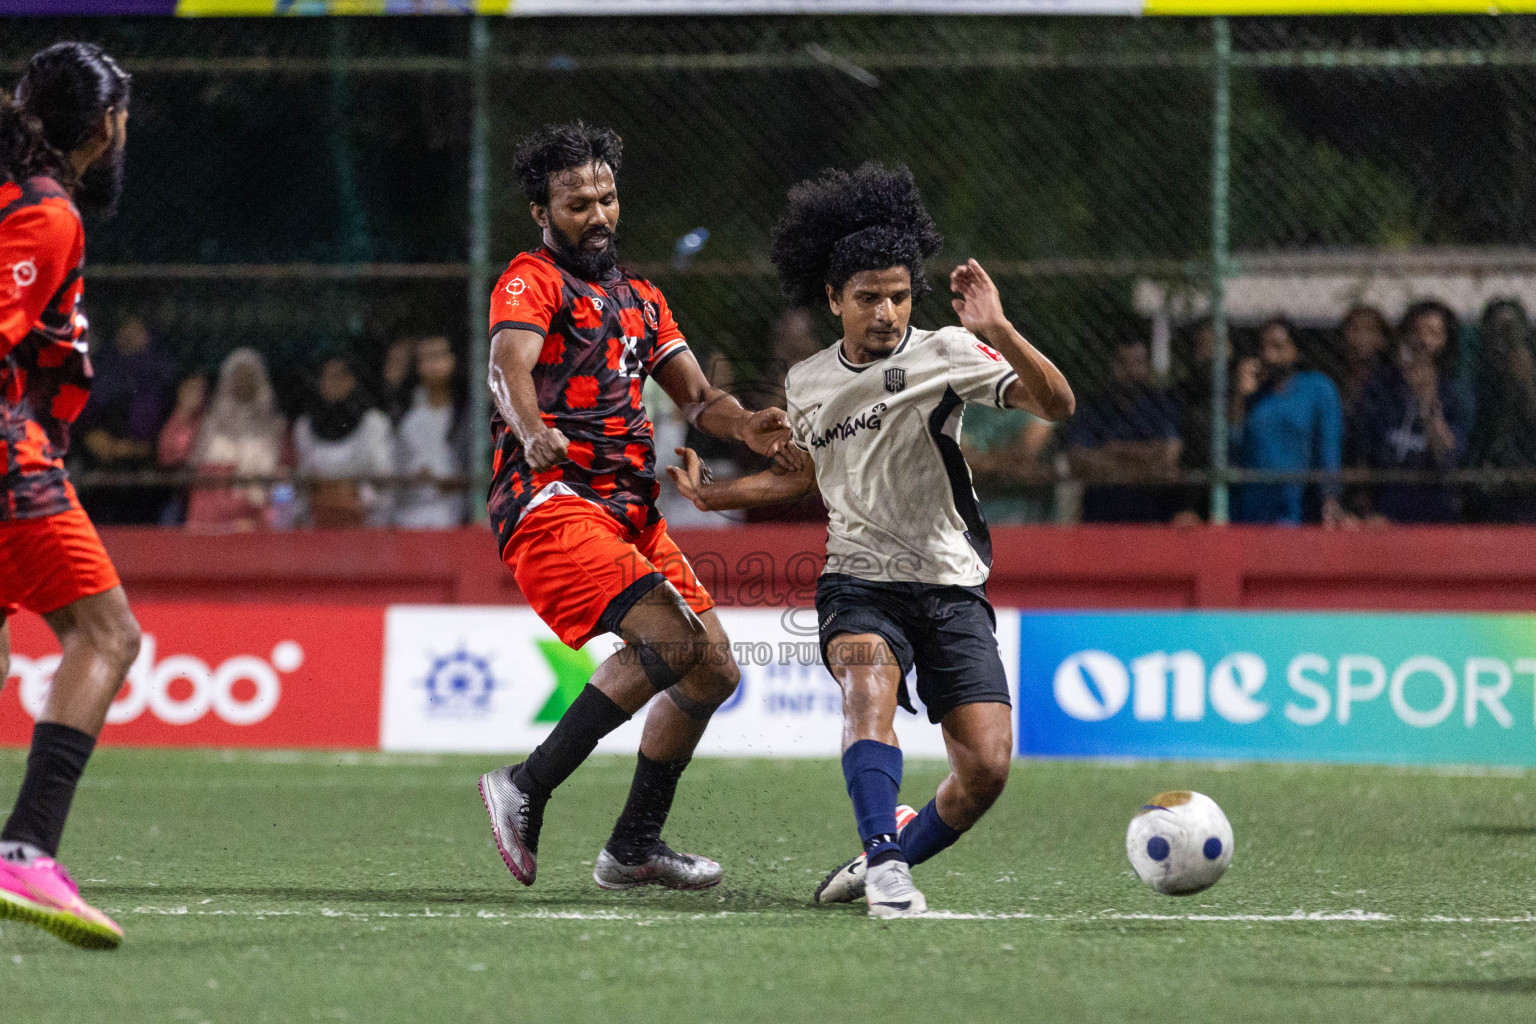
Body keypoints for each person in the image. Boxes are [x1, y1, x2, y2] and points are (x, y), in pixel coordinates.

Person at [670, 164, 1074, 917]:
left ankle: (881, 857)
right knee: (867, 693)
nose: (886, 311)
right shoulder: (808, 382)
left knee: (986, 767)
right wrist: (713, 494)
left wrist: (999, 331)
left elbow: (1057, 403)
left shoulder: (951, 352)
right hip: (857, 582)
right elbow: (804, 479)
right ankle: (889, 867)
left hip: (952, 584)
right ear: (833, 300)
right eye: (867, 298)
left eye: (898, 295)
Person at [475, 123, 799, 893]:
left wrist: (746, 424)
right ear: (541, 212)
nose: (598, 214)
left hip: (629, 513)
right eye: (577, 202)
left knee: (714, 669)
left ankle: (632, 846)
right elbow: (505, 362)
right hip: (551, 501)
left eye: (607, 197)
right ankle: (526, 784)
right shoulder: (531, 279)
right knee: (669, 637)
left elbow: (698, 396)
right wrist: (531, 428)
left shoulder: (642, 298)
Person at [0, 41, 136, 949]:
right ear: (103, 127)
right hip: (11, 458)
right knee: (107, 632)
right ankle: (25, 849)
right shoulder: (47, 216)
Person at [1230, 316, 1344, 526]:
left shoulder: (1318, 388)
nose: (1269, 355)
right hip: (1251, 510)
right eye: (1264, 348)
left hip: (1298, 509)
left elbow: (1328, 446)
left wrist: (1329, 498)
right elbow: (1232, 444)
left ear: (1296, 349)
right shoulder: (1254, 395)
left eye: (1278, 347)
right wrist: (1240, 397)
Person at [1356, 337, 1474, 524]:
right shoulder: (1385, 402)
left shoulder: (1452, 400)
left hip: (1435, 507)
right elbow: (1366, 455)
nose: (1413, 376)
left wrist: (1428, 410)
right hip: (1388, 508)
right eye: (1408, 369)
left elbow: (1445, 453)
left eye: (1421, 368)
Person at [1065, 338, 1180, 522]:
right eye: (1123, 364)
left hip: (1151, 516)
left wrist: (1114, 451)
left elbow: (1169, 455)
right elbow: (1077, 460)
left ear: (1148, 366)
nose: (1131, 372)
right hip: (1101, 516)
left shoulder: (1160, 406)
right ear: (1113, 365)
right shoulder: (1095, 408)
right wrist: (1146, 464)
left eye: (1138, 363)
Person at [74, 315, 175, 525]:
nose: (129, 336)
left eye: (137, 331)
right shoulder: (101, 372)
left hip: (147, 474)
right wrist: (92, 437)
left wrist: (136, 449)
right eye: (125, 330)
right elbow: (84, 417)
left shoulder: (163, 378)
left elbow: (169, 428)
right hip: (99, 469)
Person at [185, 348, 288, 532]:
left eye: (249, 376)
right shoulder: (209, 425)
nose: (243, 382)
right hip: (213, 518)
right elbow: (191, 467)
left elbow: (283, 484)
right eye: (238, 375)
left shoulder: (275, 428)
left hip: (260, 518)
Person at [292, 356, 393, 528]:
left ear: (352, 380)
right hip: (319, 523)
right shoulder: (304, 427)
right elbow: (303, 481)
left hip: (365, 523)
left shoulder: (374, 423)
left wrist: (350, 496)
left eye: (338, 377)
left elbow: (383, 478)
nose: (330, 383)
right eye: (325, 377)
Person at [1467, 299, 1536, 521]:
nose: (1504, 343)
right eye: (1498, 333)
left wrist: (1526, 384)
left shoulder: (1528, 373)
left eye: (1511, 334)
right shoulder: (1476, 377)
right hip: (1484, 479)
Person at [392, 335, 468, 529]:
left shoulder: (467, 416)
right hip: (410, 513)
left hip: (457, 512)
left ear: (453, 360)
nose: (433, 364)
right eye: (426, 357)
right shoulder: (406, 416)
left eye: (439, 356)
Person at [155, 370, 208, 526]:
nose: (195, 394)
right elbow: (165, 455)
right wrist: (183, 414)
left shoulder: (208, 421)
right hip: (172, 489)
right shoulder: (165, 415)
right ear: (181, 389)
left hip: (200, 488)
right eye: (191, 388)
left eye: (200, 390)